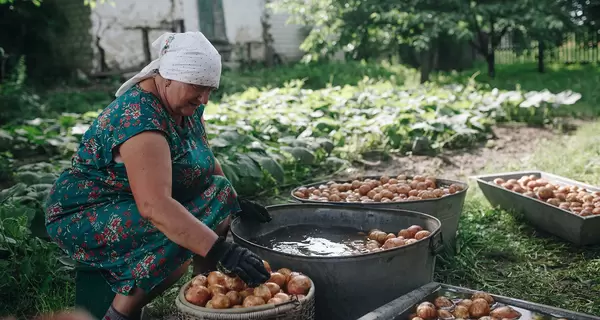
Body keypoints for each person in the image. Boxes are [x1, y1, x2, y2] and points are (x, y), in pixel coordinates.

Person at [44, 31, 272, 320]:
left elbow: (205, 157)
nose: (204, 98)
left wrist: (235, 203)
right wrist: (221, 250)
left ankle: (209, 298)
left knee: (220, 192)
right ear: (168, 77)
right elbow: (155, 207)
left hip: (132, 200)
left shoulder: (185, 105)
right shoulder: (140, 119)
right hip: (86, 212)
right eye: (198, 87)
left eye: (210, 89)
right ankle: (118, 314)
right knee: (177, 238)